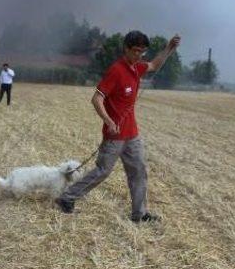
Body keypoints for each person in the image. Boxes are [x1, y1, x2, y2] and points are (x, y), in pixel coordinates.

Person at [55, 30, 181, 222]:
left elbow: (155, 65)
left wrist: (169, 48)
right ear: (126, 48)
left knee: (138, 171)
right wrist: (109, 121)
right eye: (136, 50)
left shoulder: (137, 68)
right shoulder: (116, 70)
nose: (139, 55)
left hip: (132, 135)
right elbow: (96, 98)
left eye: (142, 52)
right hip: (115, 135)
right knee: (102, 171)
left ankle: (139, 214)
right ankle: (67, 197)